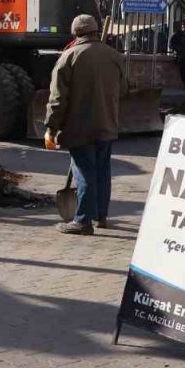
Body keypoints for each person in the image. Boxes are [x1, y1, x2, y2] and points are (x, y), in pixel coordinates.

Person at [45, 13, 127, 235]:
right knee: (102, 172)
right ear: (95, 31)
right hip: (107, 125)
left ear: (75, 33)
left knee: (85, 174)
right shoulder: (114, 56)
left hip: (80, 128)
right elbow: (126, 89)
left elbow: (58, 99)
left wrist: (51, 127)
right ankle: (101, 216)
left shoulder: (68, 57)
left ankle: (82, 221)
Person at [168, 20, 185, 90]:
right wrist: (177, 50)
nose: (184, 28)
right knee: (182, 71)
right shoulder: (177, 34)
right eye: (183, 26)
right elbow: (171, 44)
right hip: (180, 56)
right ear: (181, 27)